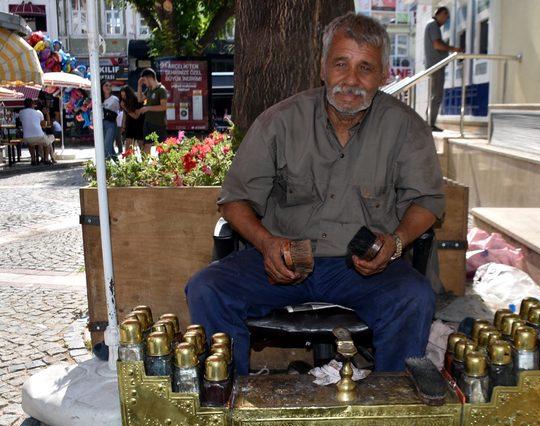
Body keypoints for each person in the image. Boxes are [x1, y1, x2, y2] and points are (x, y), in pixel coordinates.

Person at [185, 13, 444, 376]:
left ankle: (389, 411)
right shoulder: (280, 121)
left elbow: (427, 202)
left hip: (366, 269)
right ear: (322, 68)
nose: (351, 80)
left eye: (365, 68)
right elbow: (234, 199)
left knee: (414, 297)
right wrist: (265, 244)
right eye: (341, 64)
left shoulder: (406, 128)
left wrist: (396, 244)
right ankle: (229, 401)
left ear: (384, 75)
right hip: (285, 260)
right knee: (206, 288)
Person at [424, 6, 462, 131]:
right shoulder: (433, 25)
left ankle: (428, 123)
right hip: (436, 66)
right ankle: (430, 124)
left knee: (434, 95)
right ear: (440, 14)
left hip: (434, 65)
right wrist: (454, 49)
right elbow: (437, 44)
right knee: (437, 95)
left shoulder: (431, 25)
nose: (446, 20)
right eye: (446, 17)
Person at [136, 68, 168, 153]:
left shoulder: (161, 89)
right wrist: (139, 86)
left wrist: (147, 108)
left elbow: (163, 107)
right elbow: (139, 99)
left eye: (144, 80)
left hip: (159, 124)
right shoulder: (149, 89)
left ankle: (163, 165)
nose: (144, 83)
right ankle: (145, 166)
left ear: (149, 78)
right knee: (146, 146)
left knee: (161, 148)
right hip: (148, 123)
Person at [18, 98, 54, 165]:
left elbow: (22, 121)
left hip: (26, 137)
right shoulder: (38, 112)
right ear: (33, 104)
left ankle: (33, 160)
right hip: (39, 136)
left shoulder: (21, 112)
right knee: (47, 143)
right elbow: (43, 125)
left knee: (30, 144)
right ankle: (46, 159)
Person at [119, 85, 145, 152]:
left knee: (141, 147)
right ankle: (128, 161)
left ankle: (144, 161)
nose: (123, 97)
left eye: (124, 96)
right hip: (129, 125)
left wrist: (125, 107)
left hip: (139, 125)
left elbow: (136, 116)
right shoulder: (125, 102)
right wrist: (123, 126)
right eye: (122, 95)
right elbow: (125, 115)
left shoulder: (136, 100)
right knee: (128, 148)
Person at [101, 81, 120, 161]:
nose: (108, 87)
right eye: (106, 85)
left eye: (110, 86)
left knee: (107, 146)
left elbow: (115, 112)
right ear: (101, 87)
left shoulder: (114, 99)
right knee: (110, 149)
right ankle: (120, 168)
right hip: (100, 124)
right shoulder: (98, 98)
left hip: (110, 124)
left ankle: (106, 169)